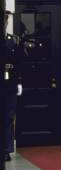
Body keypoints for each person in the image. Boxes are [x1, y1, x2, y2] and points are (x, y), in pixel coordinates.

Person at [4, 10, 23, 161]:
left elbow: (19, 64)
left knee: (8, 117)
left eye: (5, 20)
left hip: (9, 84)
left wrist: (19, 82)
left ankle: (6, 149)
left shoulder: (14, 41)